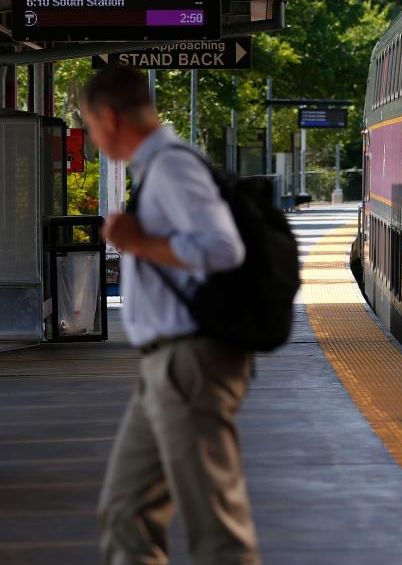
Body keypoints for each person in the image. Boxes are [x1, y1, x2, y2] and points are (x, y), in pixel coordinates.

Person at [81, 66, 259, 565]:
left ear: (109, 118)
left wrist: (138, 242)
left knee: (216, 531)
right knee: (125, 511)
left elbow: (223, 248)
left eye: (91, 126)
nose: (93, 139)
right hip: (166, 368)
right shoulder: (156, 168)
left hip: (192, 365)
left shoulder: (173, 167)